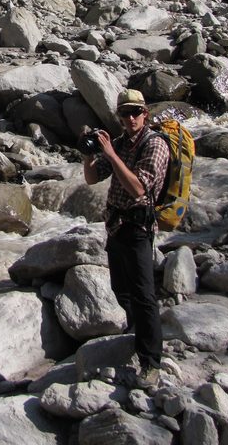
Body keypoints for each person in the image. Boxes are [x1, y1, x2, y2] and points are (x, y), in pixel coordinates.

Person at [82, 89, 170, 389]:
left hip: (138, 228)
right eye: (125, 113)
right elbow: (93, 179)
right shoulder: (119, 143)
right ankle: (136, 334)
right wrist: (88, 153)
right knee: (122, 289)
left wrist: (110, 154)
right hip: (116, 226)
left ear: (146, 114)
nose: (130, 118)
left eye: (135, 112)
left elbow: (138, 189)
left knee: (145, 296)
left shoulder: (155, 145)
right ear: (119, 116)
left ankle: (151, 361)